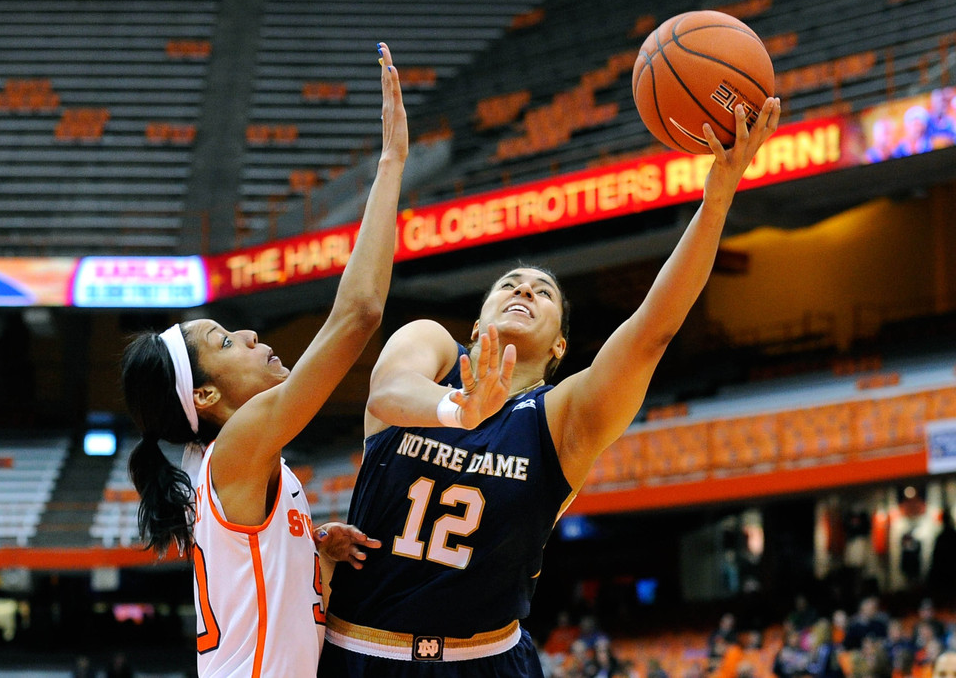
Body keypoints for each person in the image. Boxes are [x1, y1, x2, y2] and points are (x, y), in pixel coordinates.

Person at [317, 97, 781, 677]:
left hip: (487, 660)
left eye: (542, 293)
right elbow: (385, 393)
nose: (523, 291)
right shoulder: (431, 348)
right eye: (509, 284)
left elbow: (651, 333)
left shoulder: (560, 418)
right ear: (479, 322)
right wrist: (459, 408)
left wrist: (717, 198)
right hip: (366, 652)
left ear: (559, 346)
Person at [119, 42, 407, 678]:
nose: (249, 334)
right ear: (205, 398)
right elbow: (357, 316)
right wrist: (390, 165)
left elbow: (279, 620)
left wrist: (316, 558)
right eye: (225, 342)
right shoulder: (236, 450)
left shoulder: (236, 466)